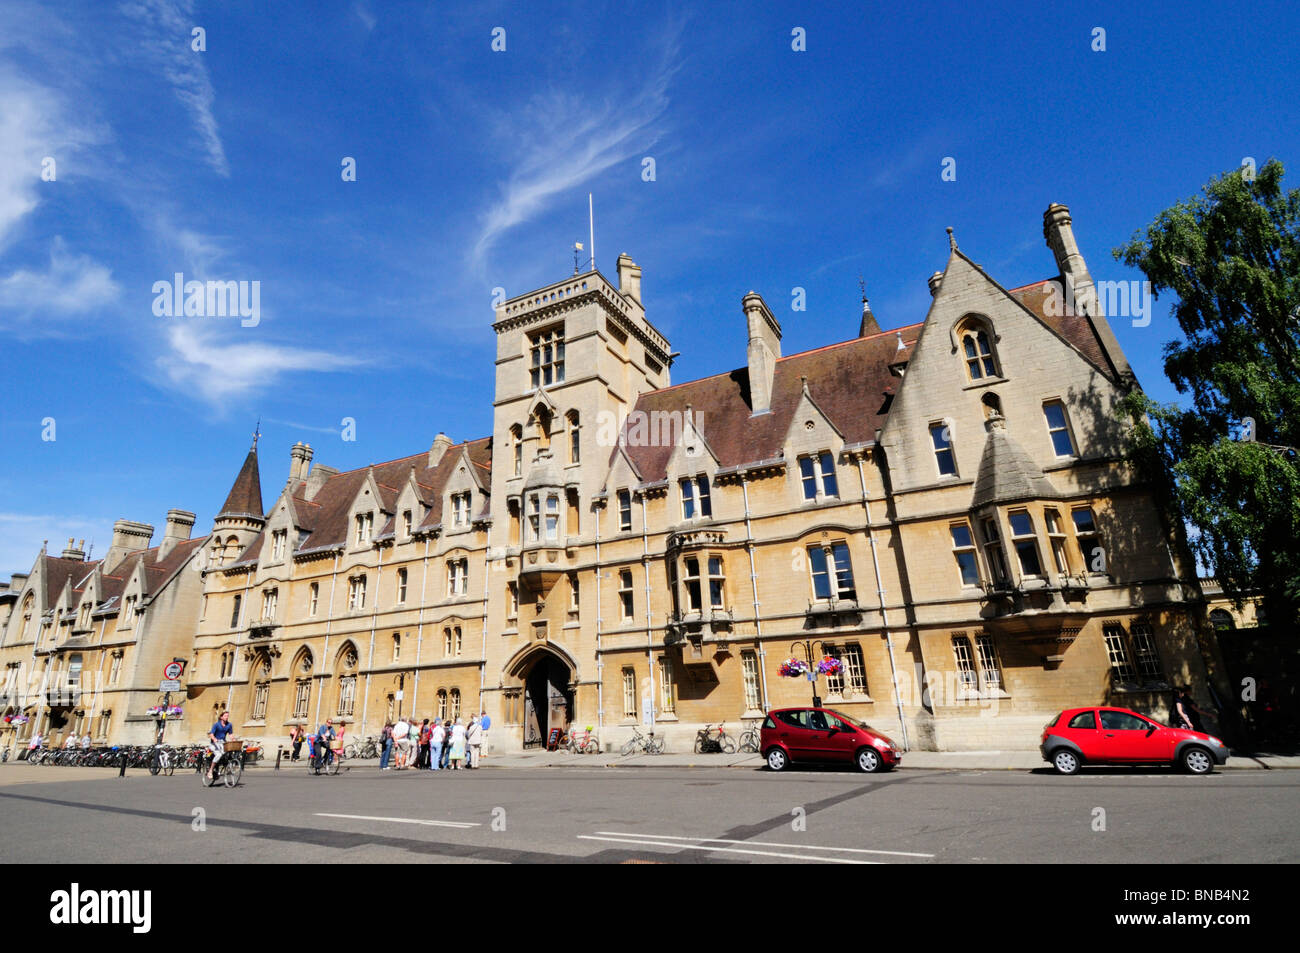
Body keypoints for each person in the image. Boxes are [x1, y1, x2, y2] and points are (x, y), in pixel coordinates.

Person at [206, 711, 235, 781]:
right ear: (221, 717)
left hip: (222, 742)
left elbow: (230, 734)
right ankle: (210, 771)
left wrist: (233, 739)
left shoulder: (229, 725)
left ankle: (224, 767)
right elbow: (211, 734)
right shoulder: (216, 725)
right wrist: (214, 739)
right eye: (225, 716)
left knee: (228, 753)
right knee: (218, 754)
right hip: (214, 743)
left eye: (228, 716)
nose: (227, 717)